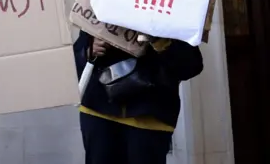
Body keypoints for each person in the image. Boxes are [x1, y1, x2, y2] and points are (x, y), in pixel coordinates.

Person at [73, 31, 203, 164]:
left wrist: (160, 41)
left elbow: (190, 67)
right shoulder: (100, 11)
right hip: (99, 111)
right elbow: (74, 58)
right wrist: (89, 50)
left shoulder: (173, 17)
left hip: (150, 115)